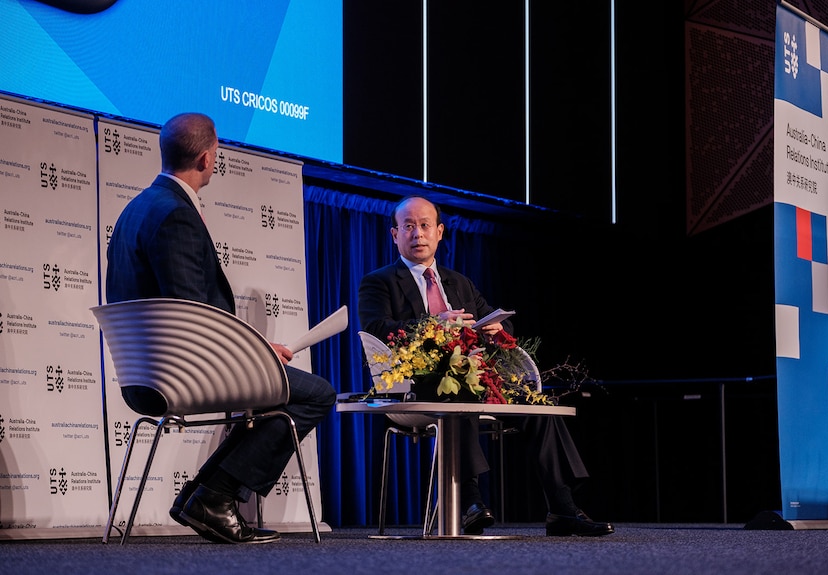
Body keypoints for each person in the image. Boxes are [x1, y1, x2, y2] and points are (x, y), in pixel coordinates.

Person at [106, 112, 336, 544]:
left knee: (278, 392)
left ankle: (203, 495)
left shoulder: (134, 210)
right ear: (207, 158)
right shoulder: (175, 214)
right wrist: (260, 355)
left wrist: (259, 348)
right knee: (316, 394)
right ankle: (214, 494)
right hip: (181, 374)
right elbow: (194, 318)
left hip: (144, 373)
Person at [358, 195, 614, 537]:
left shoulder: (458, 282)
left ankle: (562, 508)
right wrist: (435, 323)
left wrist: (496, 331)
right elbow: (376, 328)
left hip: (477, 375)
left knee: (538, 407)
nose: (416, 233)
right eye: (408, 226)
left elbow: (494, 319)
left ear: (439, 232)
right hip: (416, 384)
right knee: (459, 391)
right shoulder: (379, 281)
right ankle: (468, 502)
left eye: (424, 225)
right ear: (394, 235)